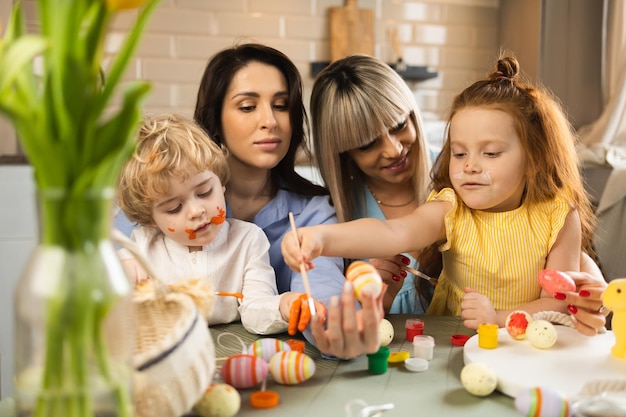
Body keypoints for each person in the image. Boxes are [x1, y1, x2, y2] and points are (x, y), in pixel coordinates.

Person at [283, 55, 600, 331]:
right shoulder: (452, 203)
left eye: (489, 153)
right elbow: (394, 232)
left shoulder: (552, 211)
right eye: (460, 153)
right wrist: (320, 238)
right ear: (343, 153)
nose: (470, 166)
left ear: (533, 158)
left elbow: (563, 297)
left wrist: (503, 316)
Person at [193, 43, 383, 358]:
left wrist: (332, 324)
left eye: (281, 105)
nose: (270, 121)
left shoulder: (314, 212)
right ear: (215, 120)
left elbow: (319, 285)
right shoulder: (166, 201)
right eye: (247, 106)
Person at [116, 113, 319, 336]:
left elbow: (254, 309)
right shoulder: (142, 247)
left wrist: (283, 306)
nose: (196, 211)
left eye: (204, 192)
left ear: (221, 183)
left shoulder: (248, 240)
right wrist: (120, 275)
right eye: (174, 208)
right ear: (150, 219)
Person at [309, 54, 435, 314]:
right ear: (343, 154)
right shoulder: (334, 215)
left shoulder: (459, 171)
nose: (393, 149)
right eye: (367, 143)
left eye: (399, 125)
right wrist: (375, 302)